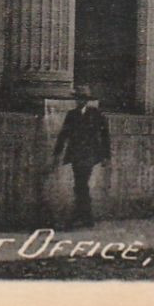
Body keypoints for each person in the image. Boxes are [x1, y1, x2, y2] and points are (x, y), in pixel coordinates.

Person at [53, 85, 111, 228]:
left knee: (81, 184)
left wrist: (106, 156)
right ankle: (85, 216)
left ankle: (82, 215)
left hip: (89, 155)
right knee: (80, 185)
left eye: (82, 99)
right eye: (78, 99)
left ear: (87, 101)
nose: (80, 102)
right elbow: (63, 135)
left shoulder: (96, 114)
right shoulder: (71, 115)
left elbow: (105, 136)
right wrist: (57, 154)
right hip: (76, 155)